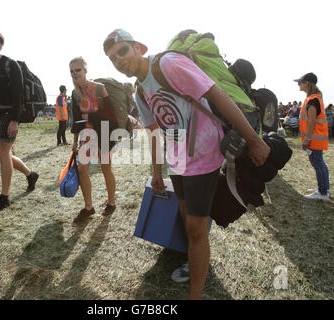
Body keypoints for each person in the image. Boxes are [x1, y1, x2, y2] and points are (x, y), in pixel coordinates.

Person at [103, 29, 270, 300]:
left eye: (122, 51)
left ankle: (195, 293)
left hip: (204, 155)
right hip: (178, 160)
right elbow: (154, 132)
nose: (119, 60)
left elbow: (217, 96)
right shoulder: (140, 92)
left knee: (195, 228)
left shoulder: (169, 64)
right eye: (112, 58)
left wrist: (252, 139)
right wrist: (157, 173)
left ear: (139, 48)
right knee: (189, 222)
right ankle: (196, 260)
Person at [0, 30, 39, 213]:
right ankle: (31, 175)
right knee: (3, 153)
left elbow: (18, 96)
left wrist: (15, 120)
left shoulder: (10, 65)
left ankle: (4, 197)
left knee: (3, 152)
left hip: (8, 115)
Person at [69, 56, 118, 222]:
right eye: (72, 71)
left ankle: (111, 203)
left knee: (106, 168)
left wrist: (92, 119)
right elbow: (75, 120)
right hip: (86, 135)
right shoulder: (74, 94)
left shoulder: (99, 88)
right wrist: (75, 141)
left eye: (78, 70)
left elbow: (110, 114)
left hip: (103, 132)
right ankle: (88, 207)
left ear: (85, 70)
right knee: (82, 169)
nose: (75, 73)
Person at [294, 73, 330, 200]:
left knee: (318, 163)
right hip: (315, 138)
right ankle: (323, 188)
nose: (299, 85)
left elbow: (311, 121)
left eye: (300, 83)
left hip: (314, 139)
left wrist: (307, 139)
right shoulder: (314, 98)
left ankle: (323, 192)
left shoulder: (313, 100)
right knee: (319, 163)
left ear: (307, 84)